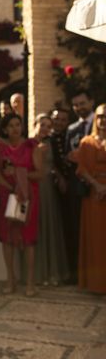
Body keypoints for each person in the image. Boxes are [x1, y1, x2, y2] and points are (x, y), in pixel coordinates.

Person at [0, 113, 43, 297]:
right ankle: (10, 279)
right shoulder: (1, 147)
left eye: (18, 124)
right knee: (7, 239)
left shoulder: (32, 146)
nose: (15, 128)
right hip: (8, 195)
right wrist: (11, 186)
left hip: (28, 197)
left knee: (29, 239)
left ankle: (30, 282)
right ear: (5, 129)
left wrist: (19, 174)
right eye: (11, 125)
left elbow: (40, 173)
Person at [32, 113, 69, 286]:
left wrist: (59, 176)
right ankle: (38, 272)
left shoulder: (51, 142)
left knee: (50, 225)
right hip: (34, 186)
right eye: (43, 125)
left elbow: (54, 164)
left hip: (49, 188)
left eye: (48, 125)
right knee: (37, 225)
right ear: (35, 124)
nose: (46, 128)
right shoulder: (29, 143)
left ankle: (52, 272)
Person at [64, 90, 95, 282]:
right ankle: (79, 274)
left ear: (91, 101)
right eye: (76, 105)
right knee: (77, 230)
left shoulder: (100, 124)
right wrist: (70, 157)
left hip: (99, 184)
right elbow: (68, 155)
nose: (79, 108)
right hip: (78, 186)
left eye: (82, 103)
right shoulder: (72, 129)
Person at [75, 103, 106, 294]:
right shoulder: (86, 142)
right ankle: (96, 284)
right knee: (95, 241)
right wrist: (98, 186)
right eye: (101, 116)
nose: (104, 120)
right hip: (94, 199)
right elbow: (81, 169)